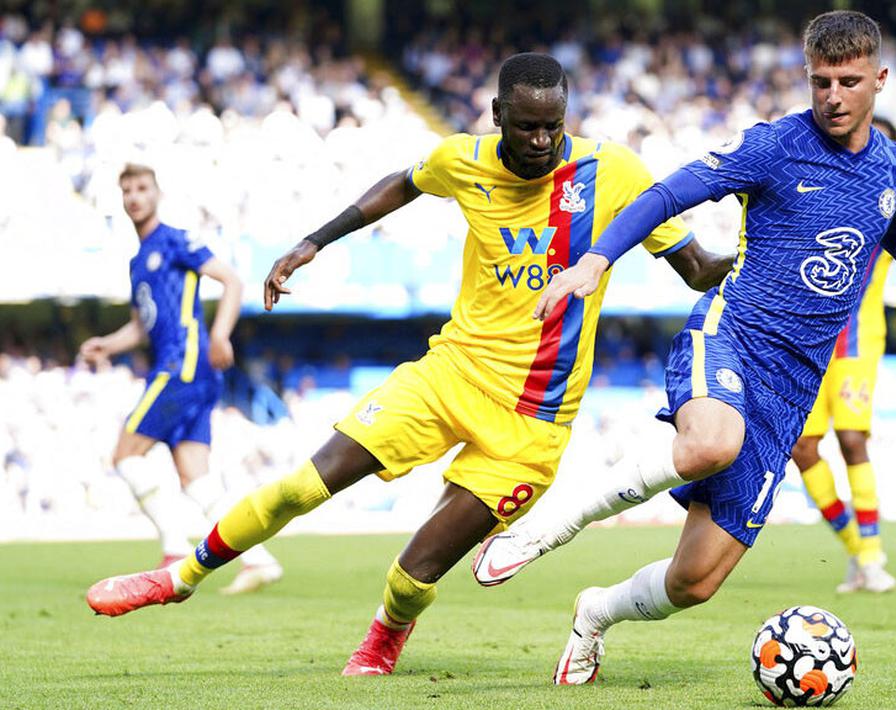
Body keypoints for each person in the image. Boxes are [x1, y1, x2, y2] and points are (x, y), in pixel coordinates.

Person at [85, 54, 732, 676]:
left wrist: (765, 249)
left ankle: (385, 635)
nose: (541, 141)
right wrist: (314, 241)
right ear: (497, 115)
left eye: (553, 126)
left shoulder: (612, 173)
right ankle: (180, 578)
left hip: (533, 425)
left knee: (414, 572)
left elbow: (697, 267)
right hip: (448, 375)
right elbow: (403, 184)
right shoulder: (463, 160)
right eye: (526, 126)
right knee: (304, 485)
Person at [472, 11, 896, 685]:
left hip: (793, 389)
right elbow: (669, 192)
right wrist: (596, 259)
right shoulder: (774, 146)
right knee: (710, 443)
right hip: (732, 335)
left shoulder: (895, 167)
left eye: (849, 82)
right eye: (821, 82)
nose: (833, 96)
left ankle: (594, 612)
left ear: (880, 80)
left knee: (693, 582)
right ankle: (546, 529)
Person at [79, 163, 283, 595]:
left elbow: (231, 280)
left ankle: (174, 550)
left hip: (183, 364)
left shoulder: (175, 240)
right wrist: (107, 345)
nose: (135, 196)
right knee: (197, 478)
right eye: (127, 190)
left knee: (125, 454)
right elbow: (141, 326)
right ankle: (259, 560)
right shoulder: (138, 262)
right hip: (188, 370)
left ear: (157, 194)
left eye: (142, 188)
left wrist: (221, 335)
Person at [789, 116, 896, 595]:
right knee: (802, 449)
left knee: (851, 439)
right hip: (808, 343)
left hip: (857, 343)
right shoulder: (819, 194)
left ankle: (872, 554)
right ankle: (857, 552)